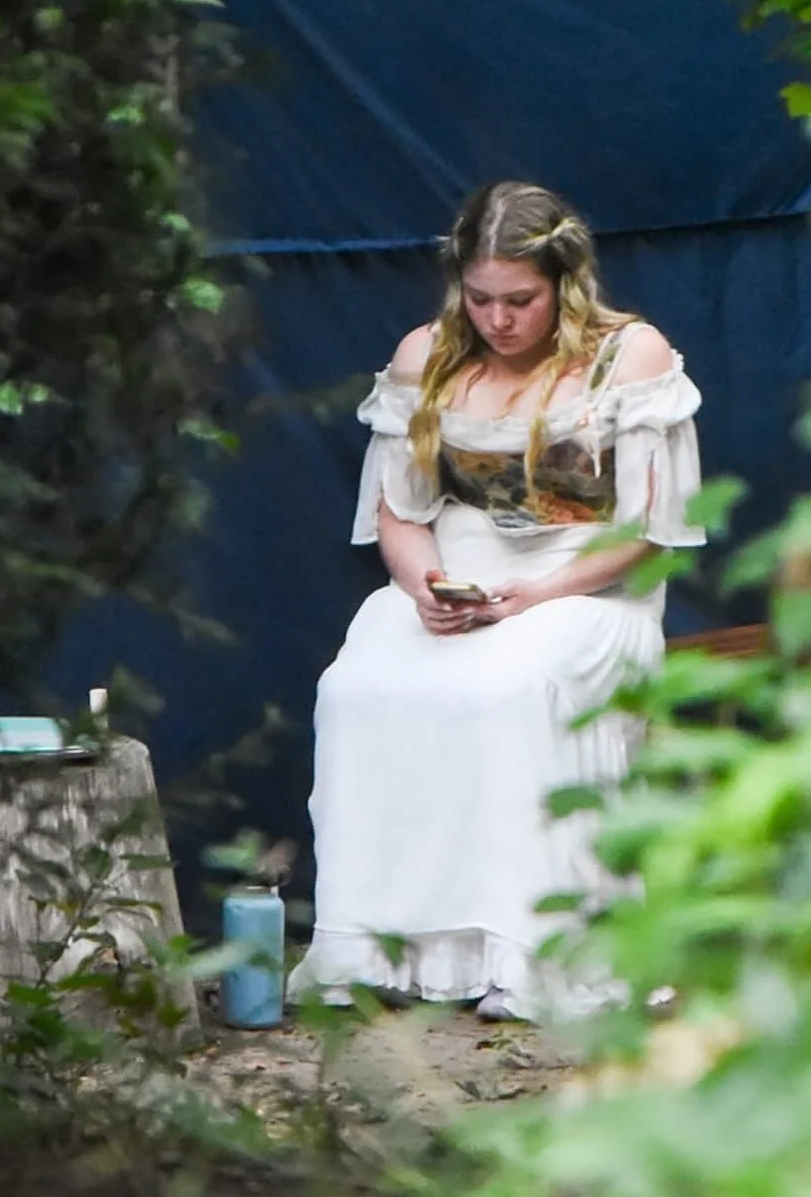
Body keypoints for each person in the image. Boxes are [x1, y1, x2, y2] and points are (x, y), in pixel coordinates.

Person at [288, 181, 705, 1021]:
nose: (499, 320)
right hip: (459, 573)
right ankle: (378, 948)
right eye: (480, 299)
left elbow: (650, 533)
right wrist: (428, 588)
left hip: (590, 583)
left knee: (510, 689)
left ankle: (531, 957)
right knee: (357, 689)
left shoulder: (633, 360)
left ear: (564, 282)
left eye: (520, 300)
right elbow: (400, 515)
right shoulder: (428, 356)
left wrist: (536, 594)